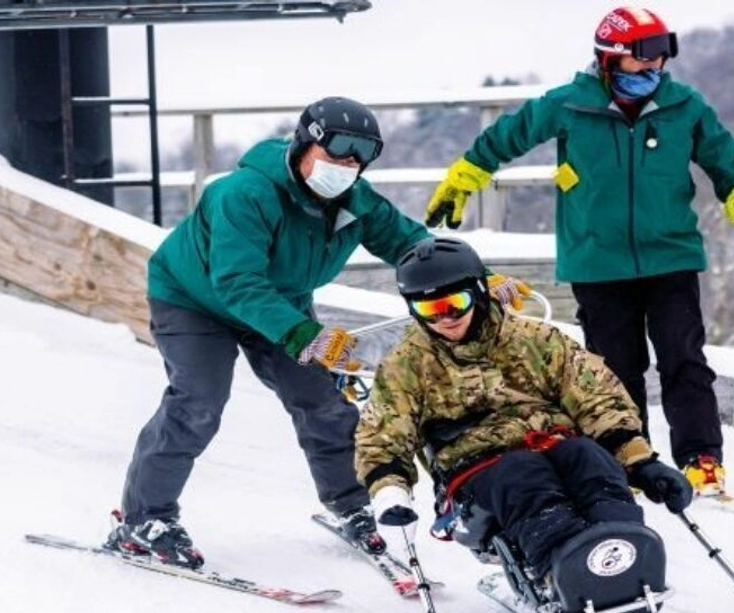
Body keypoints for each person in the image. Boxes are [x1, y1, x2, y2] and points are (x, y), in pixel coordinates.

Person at [423, 7, 734, 498]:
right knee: (615, 367)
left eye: (662, 58)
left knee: (684, 359)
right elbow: (501, 140)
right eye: (645, 59)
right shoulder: (568, 105)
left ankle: (701, 460)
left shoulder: (686, 106)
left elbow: (732, 172)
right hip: (597, 262)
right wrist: (462, 181)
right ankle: (630, 460)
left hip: (671, 257)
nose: (655, 69)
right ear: (611, 58)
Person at [106, 97, 468, 569]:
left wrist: (469, 276)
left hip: (282, 302)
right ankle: (144, 519)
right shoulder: (244, 193)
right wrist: (305, 336)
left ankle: (350, 503)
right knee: (198, 401)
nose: (346, 167)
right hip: (194, 301)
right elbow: (236, 281)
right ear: (303, 144)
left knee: (321, 399)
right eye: (336, 155)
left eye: (358, 159)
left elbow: (408, 242)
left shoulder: (355, 201)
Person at [355, 236, 692, 587]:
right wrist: (389, 490)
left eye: (456, 303)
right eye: (430, 310)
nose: (446, 318)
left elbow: (597, 396)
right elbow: (382, 433)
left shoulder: (535, 338)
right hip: (477, 469)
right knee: (522, 473)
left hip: (553, 442)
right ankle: (560, 566)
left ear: (480, 291)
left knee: (588, 457)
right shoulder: (407, 364)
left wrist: (641, 461)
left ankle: (623, 547)